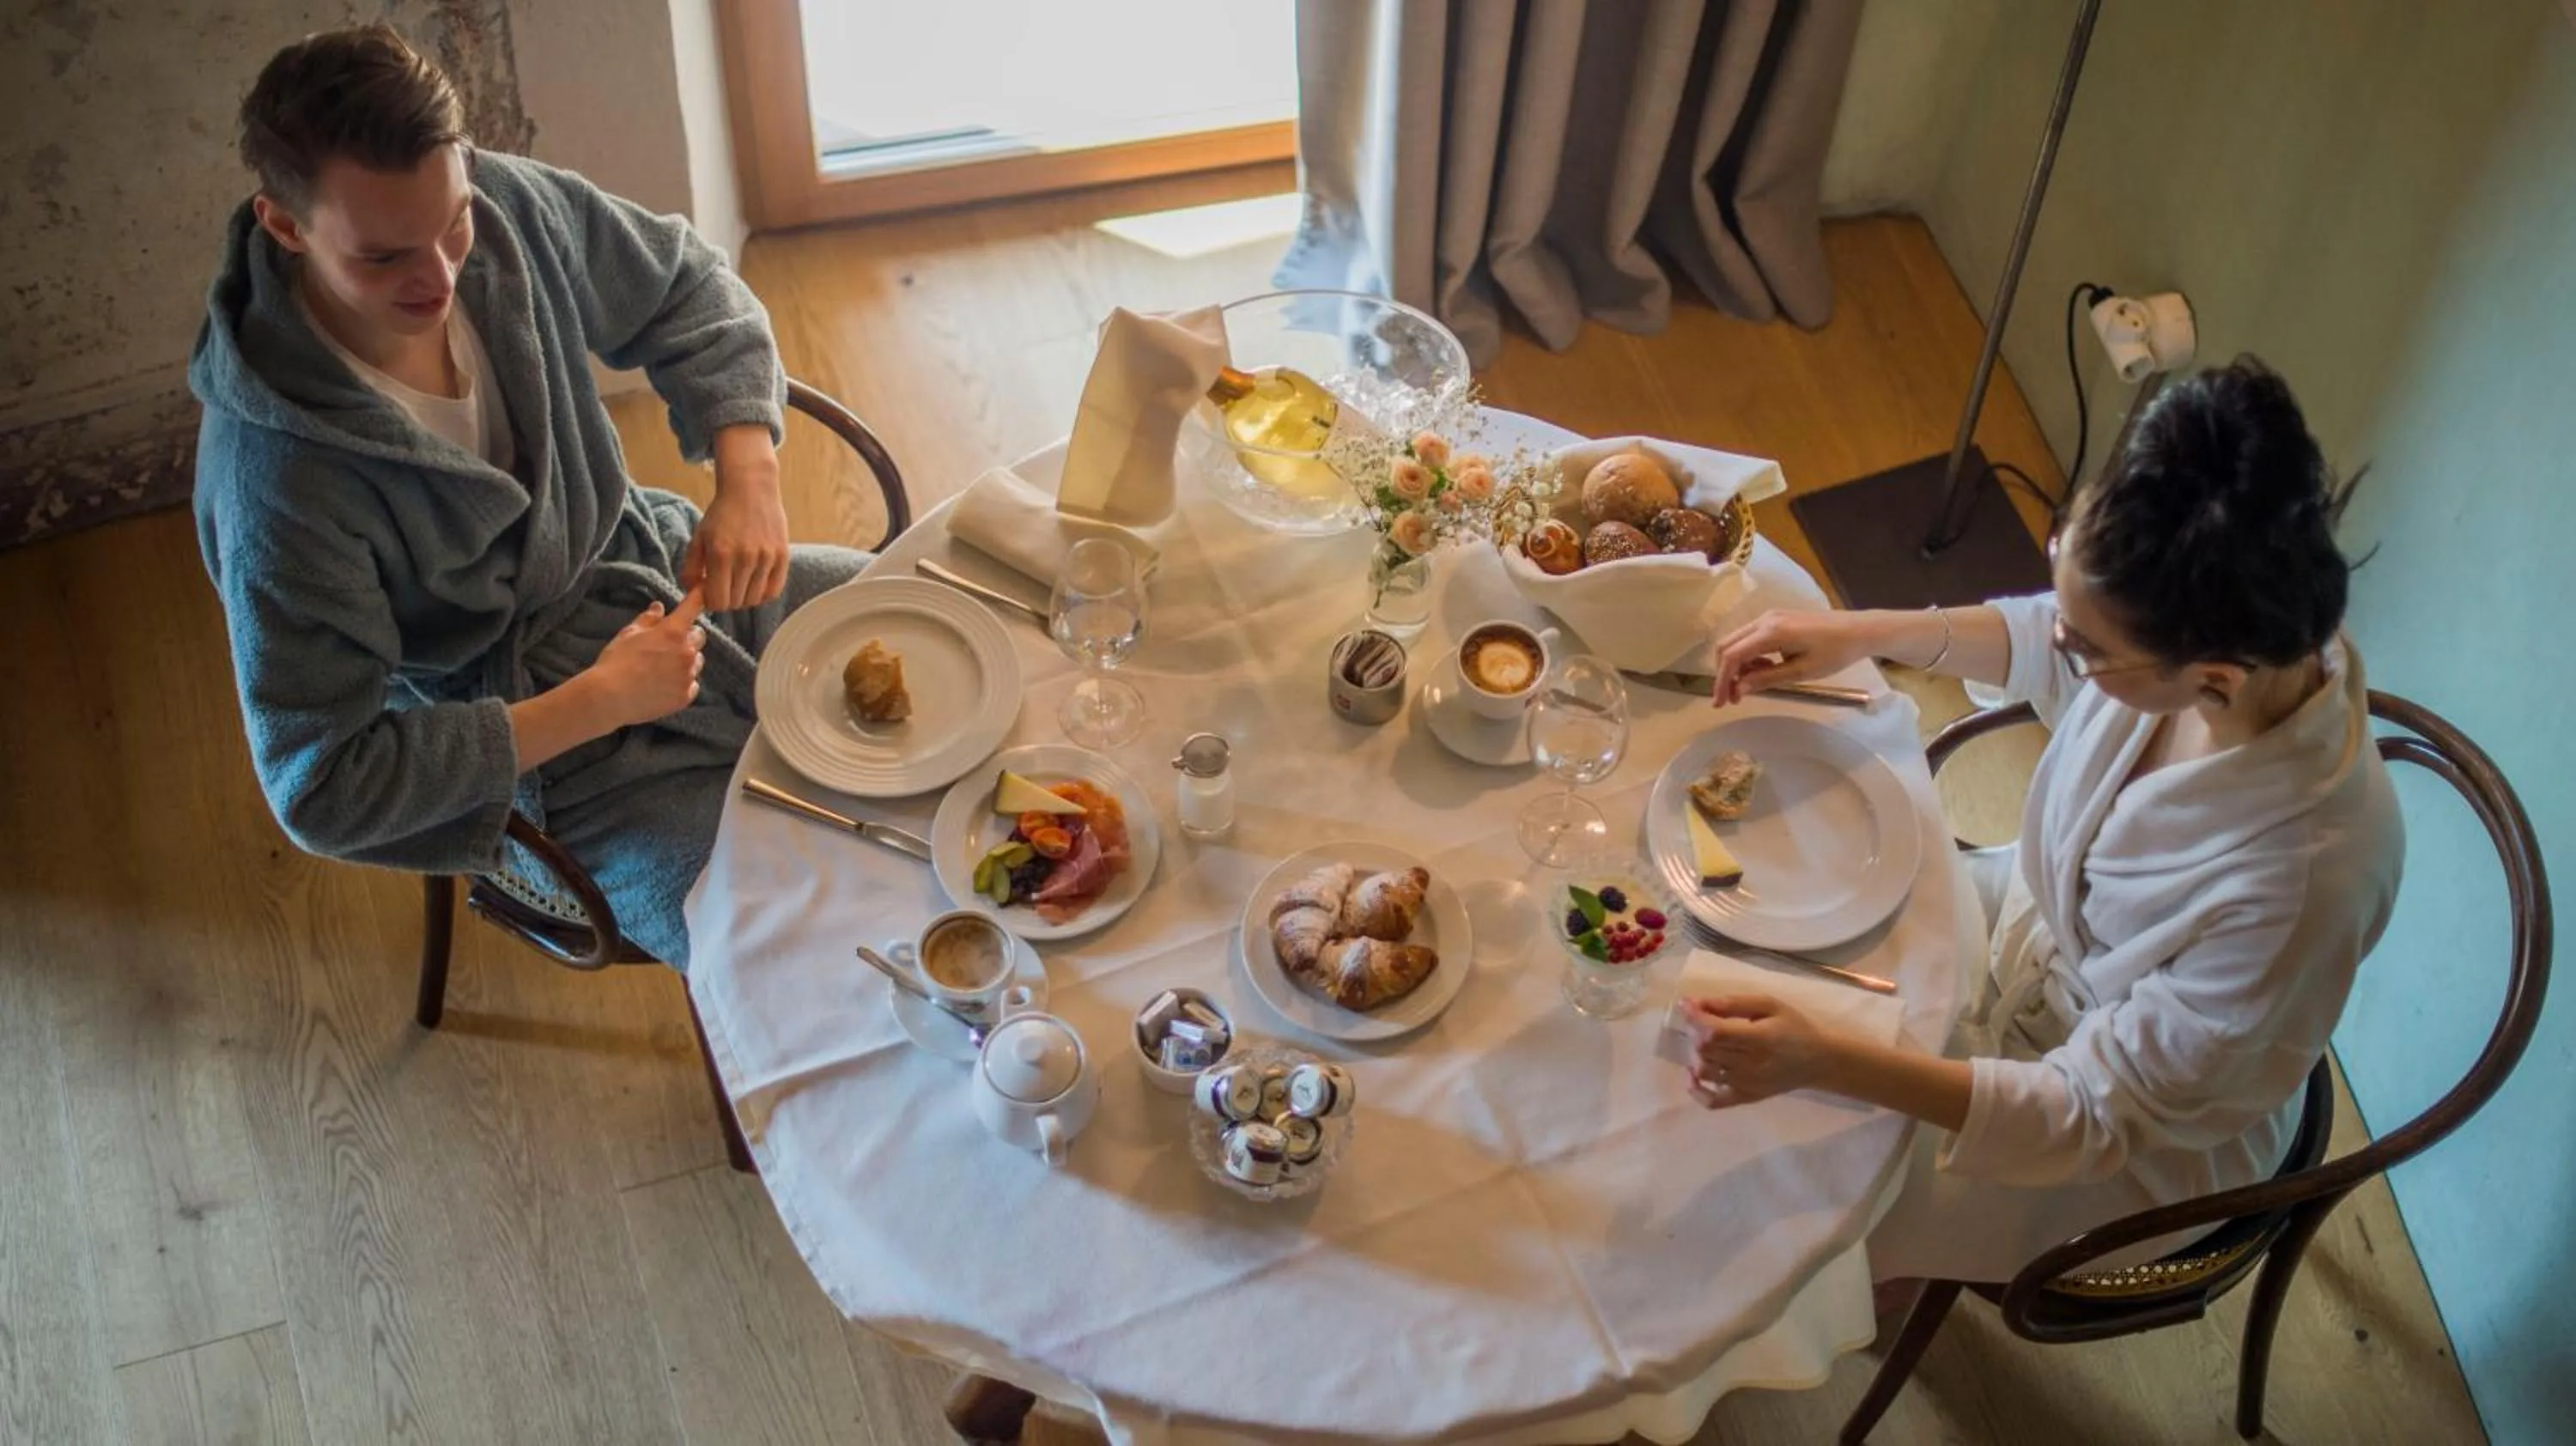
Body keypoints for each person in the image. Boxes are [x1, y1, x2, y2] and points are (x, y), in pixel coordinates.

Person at [1683, 358, 2403, 1285]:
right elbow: (2058, 632)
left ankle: (1885, 1285)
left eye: (2086, 646)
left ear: (2213, 680)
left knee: (1797, 1197)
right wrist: (1865, 634)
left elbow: (2091, 1113)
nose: (2062, 641)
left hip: (2117, 1142)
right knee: (1758, 931)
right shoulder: (2232, 635)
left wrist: (1831, 1059)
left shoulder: (2301, 885)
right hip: (2032, 922)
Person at [191, 25, 869, 969]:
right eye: (385, 258)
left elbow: (687, 287)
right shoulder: (277, 479)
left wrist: (748, 478)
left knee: (949, 630)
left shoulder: (502, 206)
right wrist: (597, 702)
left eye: (452, 221)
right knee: (792, 952)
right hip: (546, 755)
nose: (441, 275)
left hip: (662, 571)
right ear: (286, 225)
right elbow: (323, 785)